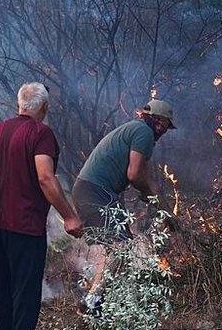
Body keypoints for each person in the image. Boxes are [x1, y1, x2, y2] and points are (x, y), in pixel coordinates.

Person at [0, 82, 84, 330]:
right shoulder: (40, 133)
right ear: (44, 107)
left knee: (1, 286)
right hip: (25, 225)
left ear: (19, 104)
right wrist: (69, 217)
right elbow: (45, 177)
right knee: (25, 287)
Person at [71, 98, 177, 315]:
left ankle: (94, 298)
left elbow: (149, 183)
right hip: (95, 191)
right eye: (166, 125)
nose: (165, 131)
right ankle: (91, 301)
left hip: (94, 191)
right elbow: (135, 175)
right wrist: (147, 193)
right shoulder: (143, 133)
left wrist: (167, 214)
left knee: (121, 246)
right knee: (122, 248)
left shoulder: (136, 131)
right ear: (158, 121)